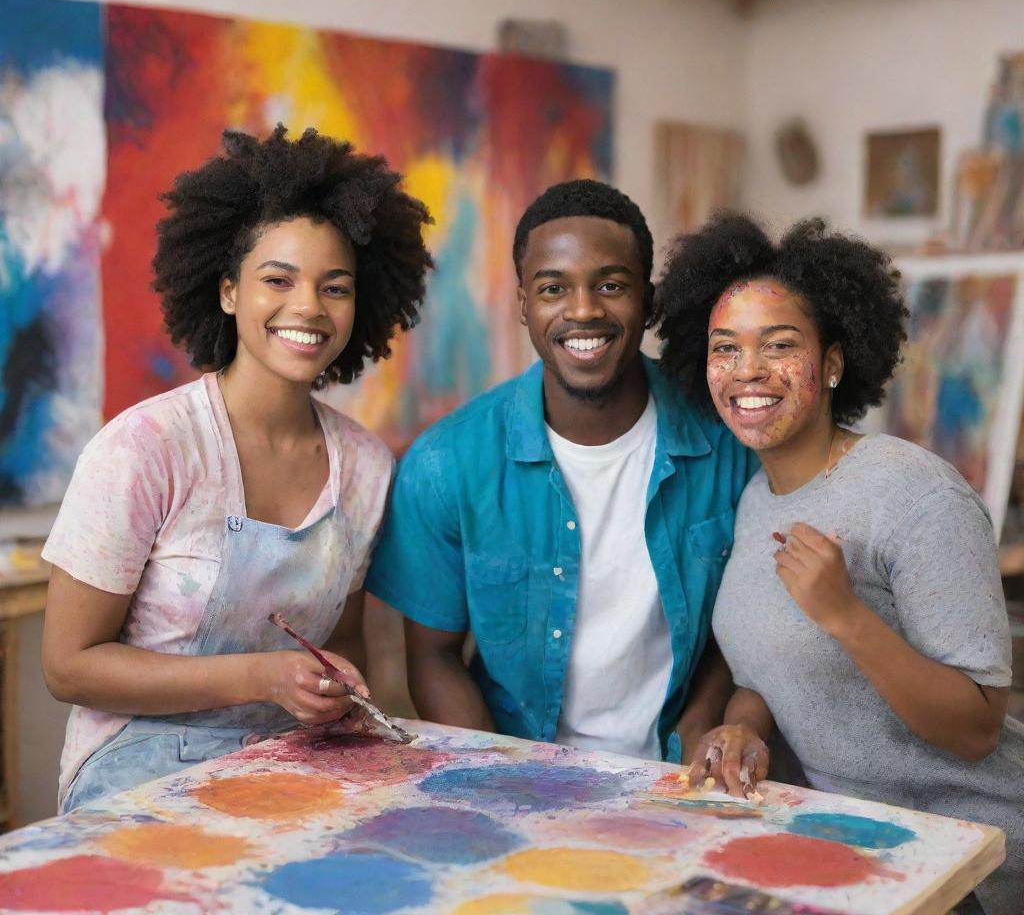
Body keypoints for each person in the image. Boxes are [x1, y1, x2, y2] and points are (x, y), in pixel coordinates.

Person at [41, 126, 432, 812]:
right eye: (278, 280)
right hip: (137, 773)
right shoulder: (147, 448)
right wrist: (261, 677)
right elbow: (67, 666)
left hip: (293, 765)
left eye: (334, 287)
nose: (308, 306)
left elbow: (334, 644)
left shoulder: (367, 468)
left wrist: (326, 688)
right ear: (227, 292)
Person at [656, 214, 1024, 915]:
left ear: (830, 364)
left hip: (968, 866)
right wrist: (743, 727)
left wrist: (846, 615)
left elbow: (977, 728)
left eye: (780, 345)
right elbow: (771, 674)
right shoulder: (755, 495)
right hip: (849, 850)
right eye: (724, 348)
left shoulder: (915, 494)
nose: (748, 371)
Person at [366, 180, 756, 763]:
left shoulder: (729, 441)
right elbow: (432, 657)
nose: (582, 310)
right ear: (523, 304)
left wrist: (700, 724)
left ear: (647, 301)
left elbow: (749, 625)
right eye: (553, 288)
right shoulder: (446, 464)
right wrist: (500, 778)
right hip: (518, 775)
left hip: (683, 777)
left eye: (610, 285)